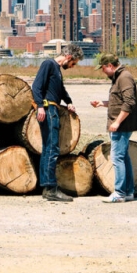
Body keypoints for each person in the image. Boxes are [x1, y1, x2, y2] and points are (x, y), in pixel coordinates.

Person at [31, 44, 84, 202]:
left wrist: (68, 101)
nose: (73, 66)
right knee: (52, 148)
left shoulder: (56, 69)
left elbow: (60, 89)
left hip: (52, 109)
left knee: (49, 148)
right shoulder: (49, 64)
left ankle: (47, 187)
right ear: (68, 57)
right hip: (49, 110)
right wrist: (40, 106)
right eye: (73, 63)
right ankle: (51, 189)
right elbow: (36, 87)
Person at [90, 53, 137, 203]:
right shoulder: (118, 77)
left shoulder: (124, 77)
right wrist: (102, 103)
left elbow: (129, 102)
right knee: (123, 157)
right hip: (120, 124)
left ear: (110, 66)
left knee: (117, 158)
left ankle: (119, 194)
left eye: (103, 68)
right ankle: (128, 191)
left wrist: (117, 122)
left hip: (121, 126)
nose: (102, 71)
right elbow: (118, 101)